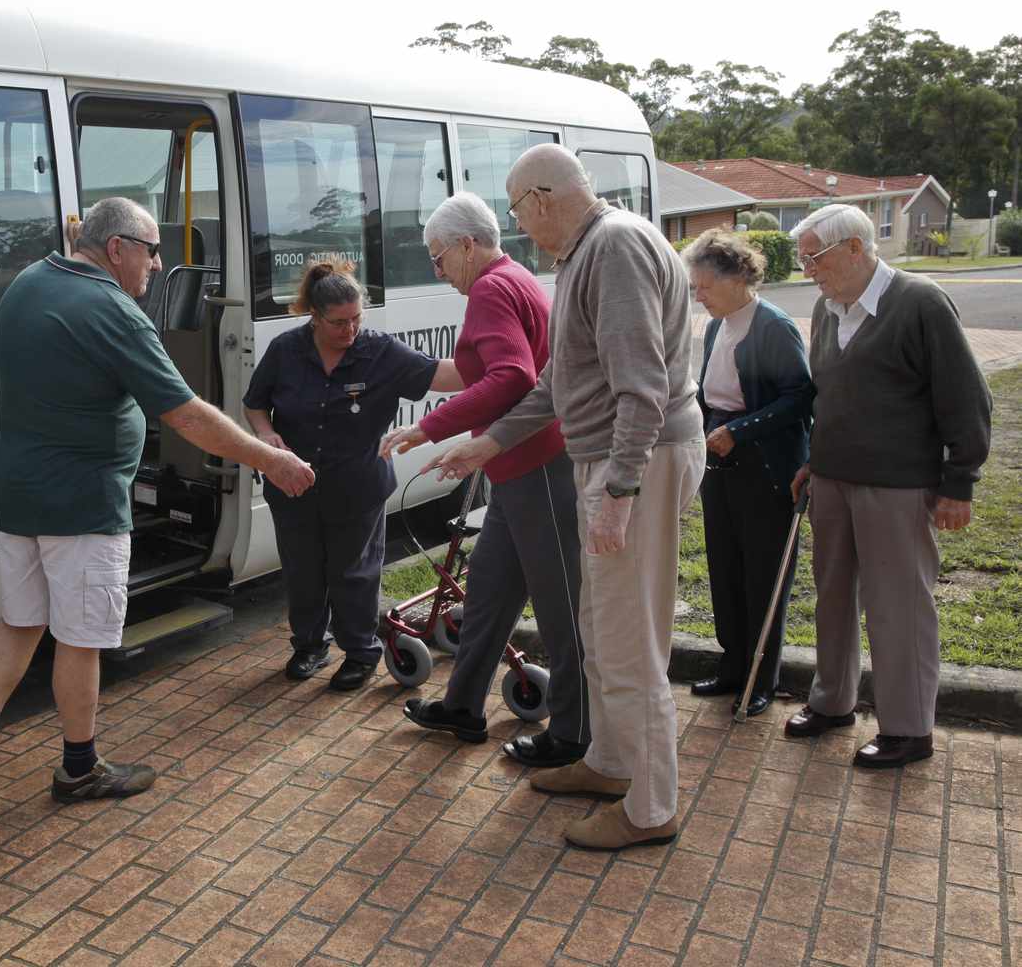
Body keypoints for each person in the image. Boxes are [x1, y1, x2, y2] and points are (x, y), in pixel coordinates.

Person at [0, 198, 315, 802]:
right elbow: (188, 416)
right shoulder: (111, 309)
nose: (156, 263)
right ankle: (78, 768)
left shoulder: (28, 284)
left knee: (20, 620)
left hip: (17, 493)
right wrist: (270, 459)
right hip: (83, 505)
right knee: (81, 638)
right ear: (116, 248)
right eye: (150, 250)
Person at [425, 144, 705, 851]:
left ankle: (650, 806)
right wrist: (487, 445)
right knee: (599, 623)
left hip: (628, 460)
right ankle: (610, 765)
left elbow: (640, 387)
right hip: (611, 456)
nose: (519, 228)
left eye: (518, 211)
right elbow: (556, 384)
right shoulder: (590, 252)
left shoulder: (611, 249)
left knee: (627, 637)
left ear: (543, 197)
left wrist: (617, 491)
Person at [379, 192, 589, 765]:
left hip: (536, 464)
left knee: (560, 604)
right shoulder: (512, 277)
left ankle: (574, 733)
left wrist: (431, 429)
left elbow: (512, 377)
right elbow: (507, 374)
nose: (437, 269)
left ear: (467, 245)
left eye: (438, 256)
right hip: (520, 466)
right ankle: (463, 705)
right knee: (491, 589)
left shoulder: (492, 288)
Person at [784, 203, 990, 767]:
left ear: (856, 247)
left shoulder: (919, 302)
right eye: (803, 259)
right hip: (832, 479)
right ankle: (833, 702)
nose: (807, 270)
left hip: (897, 485)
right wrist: (814, 458)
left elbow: (966, 398)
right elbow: (830, 395)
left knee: (897, 604)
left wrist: (959, 481)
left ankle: (907, 728)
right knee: (832, 598)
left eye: (814, 257)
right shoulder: (828, 309)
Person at [244, 257, 461, 690]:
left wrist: (503, 358)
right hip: (293, 484)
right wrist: (267, 437)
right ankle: (309, 645)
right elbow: (255, 404)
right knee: (302, 570)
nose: (350, 330)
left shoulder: (380, 352)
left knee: (354, 572)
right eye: (339, 322)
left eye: (357, 318)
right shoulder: (286, 350)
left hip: (358, 485)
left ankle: (361, 652)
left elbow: (443, 375)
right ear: (314, 317)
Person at [682, 230, 813, 718]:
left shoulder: (773, 326)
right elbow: (710, 390)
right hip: (720, 456)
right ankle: (733, 666)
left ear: (737, 279)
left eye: (704, 287)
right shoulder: (717, 324)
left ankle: (761, 678)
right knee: (725, 568)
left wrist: (740, 429)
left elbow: (800, 397)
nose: (698, 296)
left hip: (764, 466)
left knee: (762, 574)